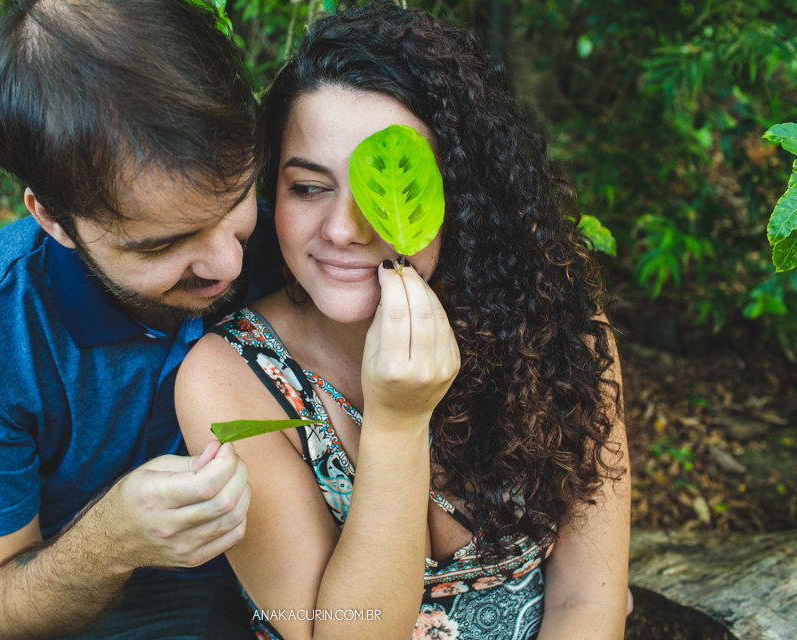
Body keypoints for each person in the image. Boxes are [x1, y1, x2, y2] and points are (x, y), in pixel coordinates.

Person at [176, 3, 631, 639]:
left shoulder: (559, 329)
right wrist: (397, 422)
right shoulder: (230, 381)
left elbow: (587, 602)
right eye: (309, 188)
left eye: (390, 190)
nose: (343, 229)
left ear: (464, 195)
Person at [0, 1, 283, 639]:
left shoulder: (295, 239)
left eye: (234, 201)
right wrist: (115, 539)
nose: (228, 263)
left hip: (241, 569)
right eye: (159, 246)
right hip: (51, 565)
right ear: (52, 218)